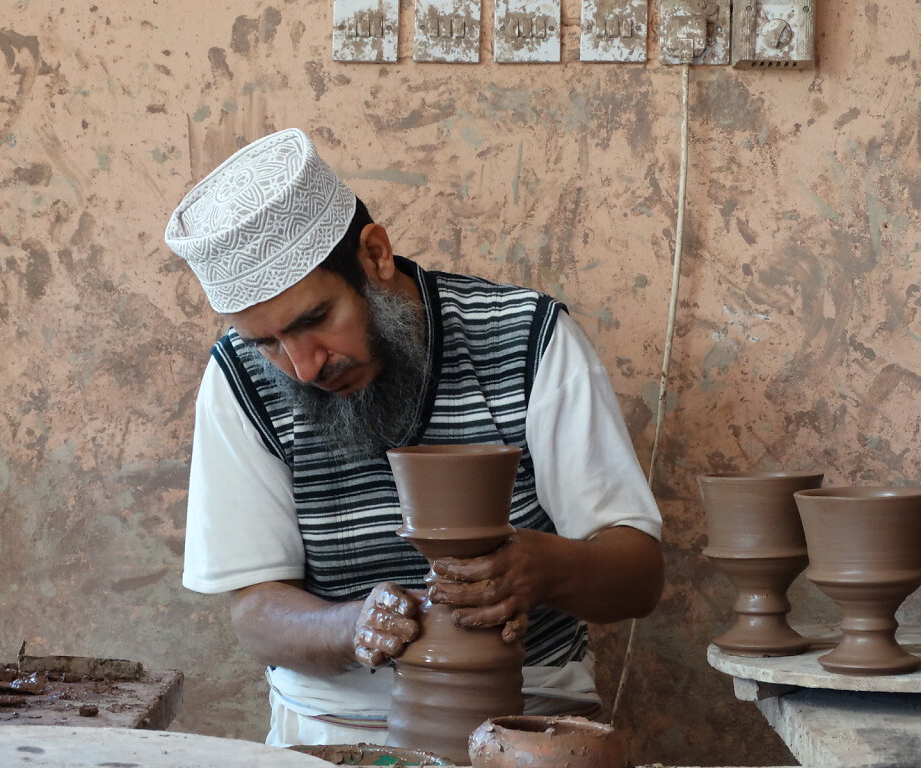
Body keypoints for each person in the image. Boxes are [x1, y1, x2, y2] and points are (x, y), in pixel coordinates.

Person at [164, 128, 664, 748]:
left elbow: (639, 575)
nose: (304, 367)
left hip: (531, 715)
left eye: (315, 320)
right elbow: (256, 614)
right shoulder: (239, 377)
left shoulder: (527, 339)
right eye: (268, 341)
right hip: (328, 725)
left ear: (375, 256)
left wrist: (541, 567)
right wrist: (355, 627)